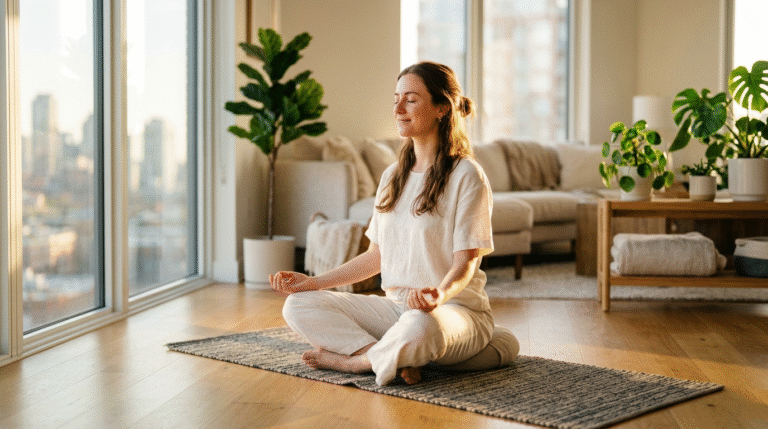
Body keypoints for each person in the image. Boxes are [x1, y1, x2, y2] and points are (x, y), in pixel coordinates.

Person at [270, 61, 519, 386]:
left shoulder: (466, 175)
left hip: (451, 310)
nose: (398, 108)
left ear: (442, 108)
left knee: (421, 326)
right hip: (396, 311)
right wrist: (312, 283)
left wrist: (438, 296)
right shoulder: (391, 177)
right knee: (298, 305)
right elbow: (376, 257)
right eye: (396, 98)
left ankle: (357, 363)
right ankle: (395, 357)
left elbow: (466, 262)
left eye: (411, 99)